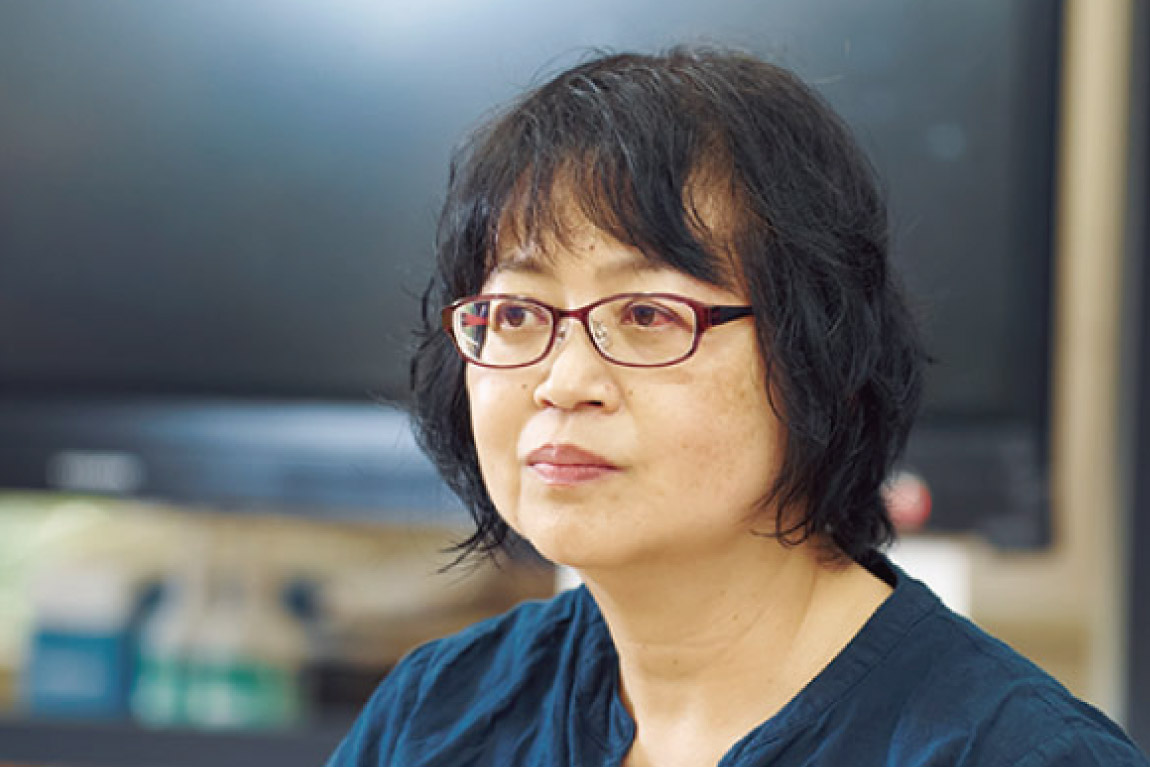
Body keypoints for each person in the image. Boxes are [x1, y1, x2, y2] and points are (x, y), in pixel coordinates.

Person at [327, 47, 1148, 766]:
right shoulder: (438, 711)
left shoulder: (1017, 752)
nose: (563, 380)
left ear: (817, 351)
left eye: (646, 313)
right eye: (514, 313)